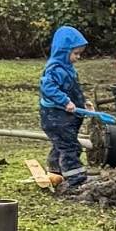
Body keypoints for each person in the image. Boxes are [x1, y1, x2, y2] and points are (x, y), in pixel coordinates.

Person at [38, 25, 91, 190]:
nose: (78, 57)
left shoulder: (68, 69)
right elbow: (48, 88)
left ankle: (55, 171)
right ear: (63, 51)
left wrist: (84, 102)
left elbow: (73, 89)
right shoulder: (54, 69)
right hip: (55, 118)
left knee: (60, 144)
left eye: (79, 54)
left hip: (67, 119)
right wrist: (64, 101)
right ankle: (76, 179)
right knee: (70, 147)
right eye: (75, 53)